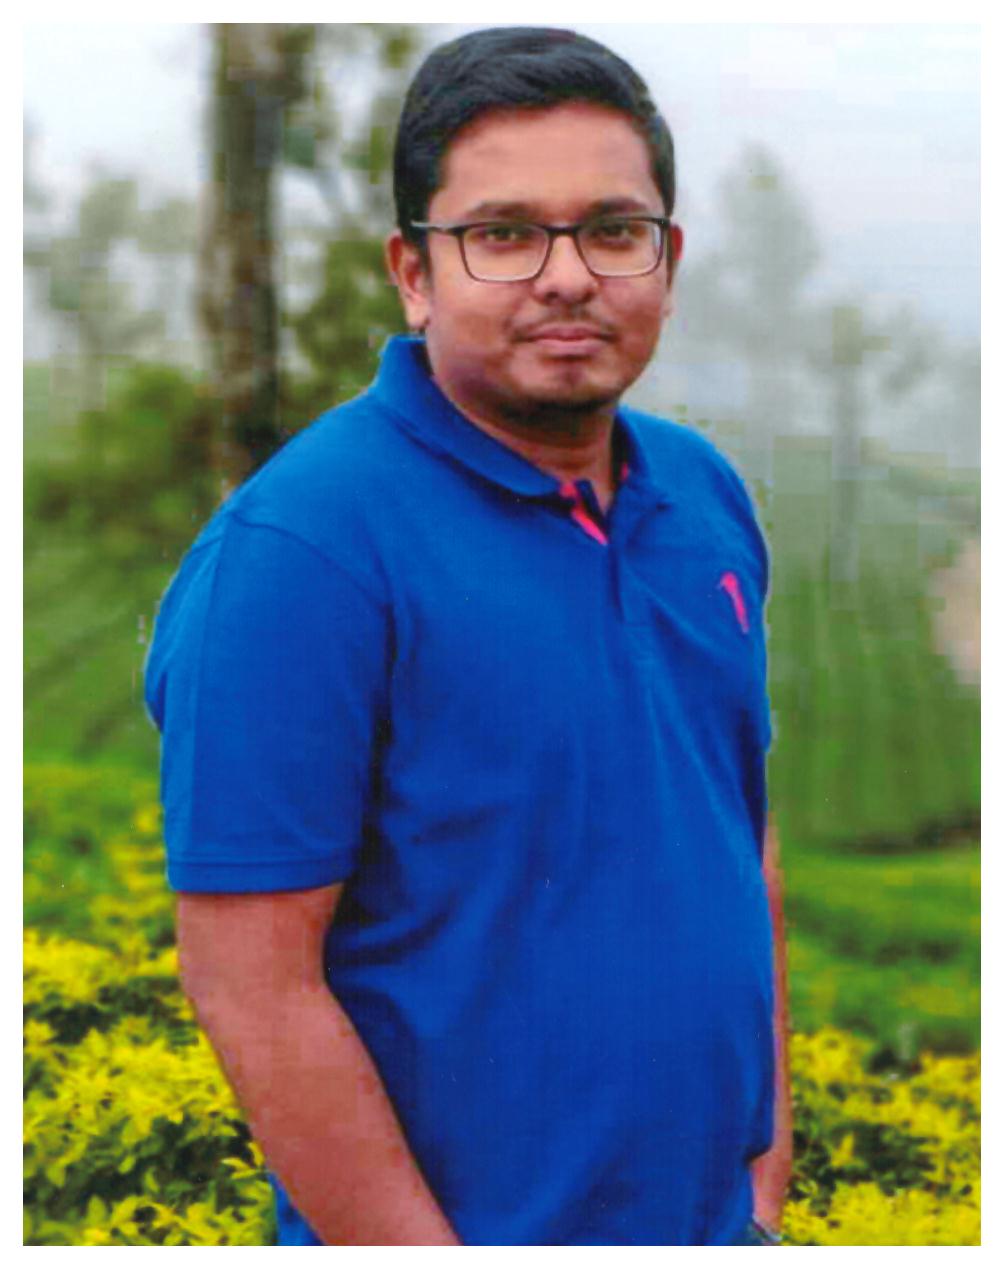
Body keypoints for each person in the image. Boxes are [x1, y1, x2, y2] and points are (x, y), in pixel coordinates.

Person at [145, 26, 791, 1246]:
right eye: (502, 234)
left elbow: (734, 834)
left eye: (612, 230)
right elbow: (252, 985)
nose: (566, 277)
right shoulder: (305, 553)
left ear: (665, 259)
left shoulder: (702, 496)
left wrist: (760, 1176)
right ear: (413, 271)